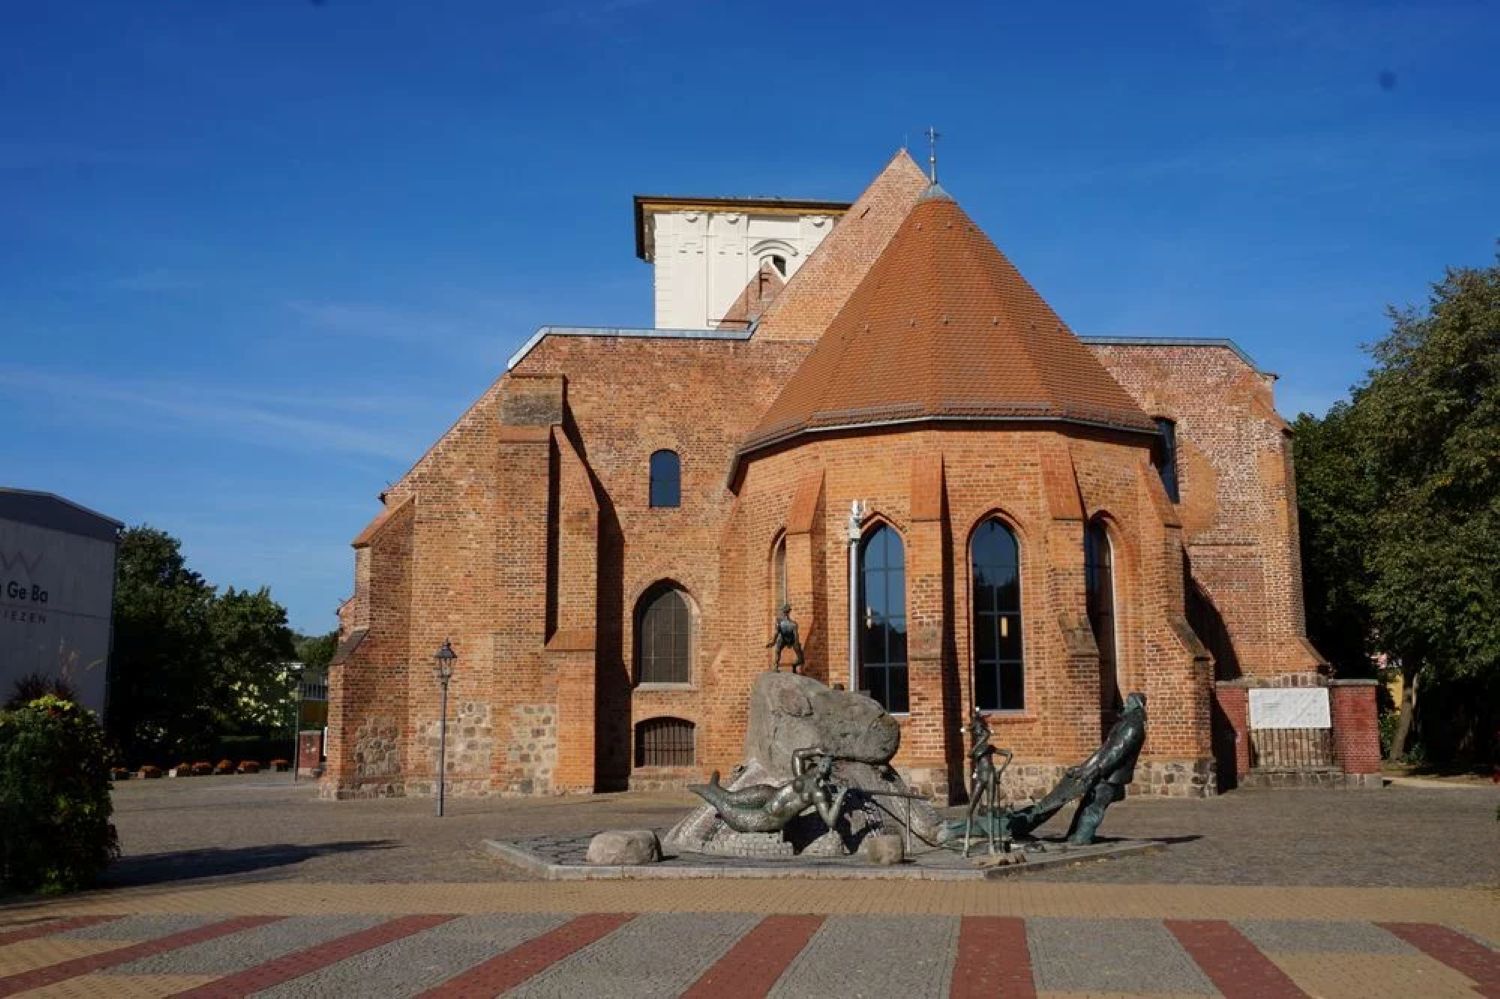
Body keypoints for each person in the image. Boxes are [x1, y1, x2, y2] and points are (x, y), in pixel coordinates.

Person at [1008, 692, 1147, 846]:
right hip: (1104, 772)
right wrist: (1084, 768)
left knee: (1093, 807)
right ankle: (1076, 836)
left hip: (1111, 775)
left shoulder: (1133, 725)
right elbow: (1104, 751)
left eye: (1128, 702)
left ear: (1136, 704)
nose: (1125, 705)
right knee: (1088, 804)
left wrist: (1095, 770)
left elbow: (1115, 752)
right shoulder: (1126, 723)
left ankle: (1081, 838)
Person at [690, 747, 849, 834]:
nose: (823, 765)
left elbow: (830, 821)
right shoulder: (803, 776)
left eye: (827, 765)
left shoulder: (818, 793)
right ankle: (713, 787)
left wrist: (840, 797)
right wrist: (814, 750)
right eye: (822, 762)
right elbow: (796, 755)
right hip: (769, 794)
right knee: (731, 798)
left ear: (829, 770)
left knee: (730, 812)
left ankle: (707, 792)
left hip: (773, 816)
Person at [765, 602, 806, 673]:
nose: (785, 613)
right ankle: (775, 666)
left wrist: (797, 645)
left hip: (792, 639)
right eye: (784, 612)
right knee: (777, 649)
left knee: (801, 659)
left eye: (786, 612)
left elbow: (796, 636)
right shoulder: (779, 622)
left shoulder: (793, 624)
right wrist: (773, 642)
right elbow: (776, 633)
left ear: (788, 612)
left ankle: (794, 665)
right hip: (783, 638)